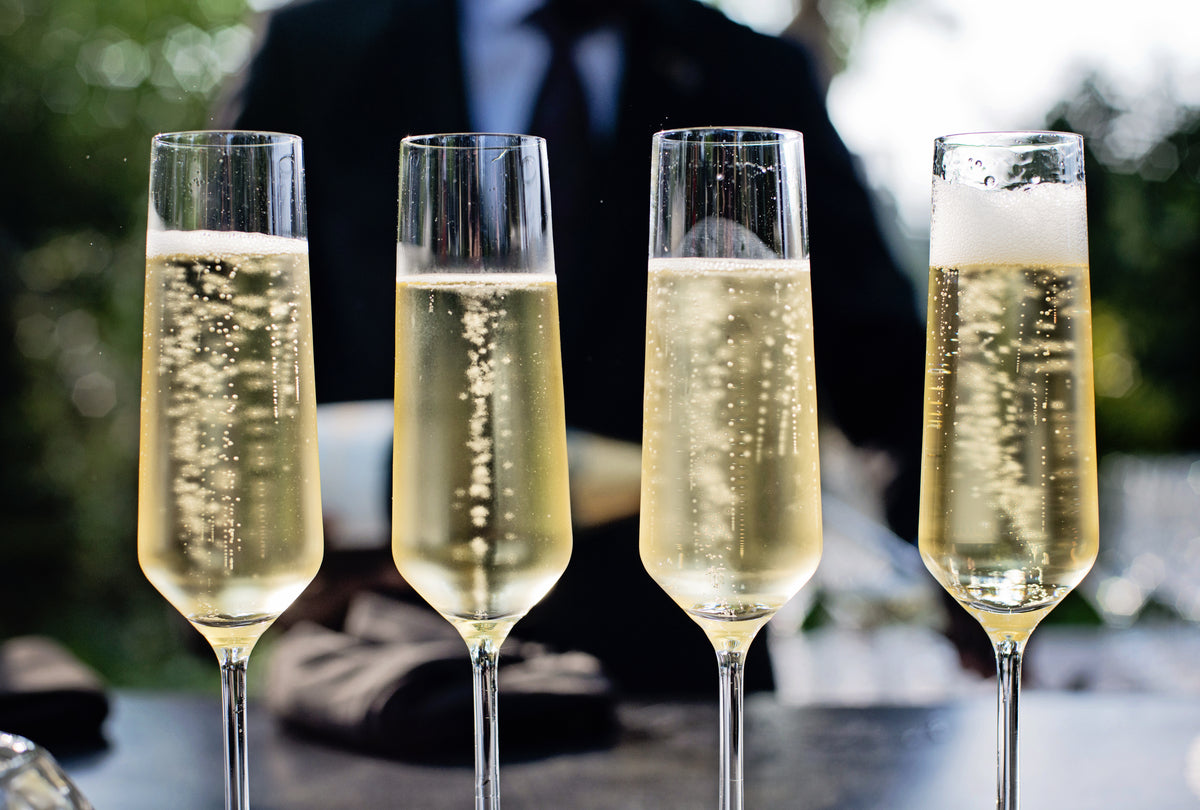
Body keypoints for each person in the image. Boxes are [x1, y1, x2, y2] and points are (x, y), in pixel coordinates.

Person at [220, 0, 926, 695]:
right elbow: (224, 343)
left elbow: (878, 357)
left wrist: (967, 578)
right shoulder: (317, 49)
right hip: (390, 667)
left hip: (676, 665)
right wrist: (226, 579)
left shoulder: (752, 70)